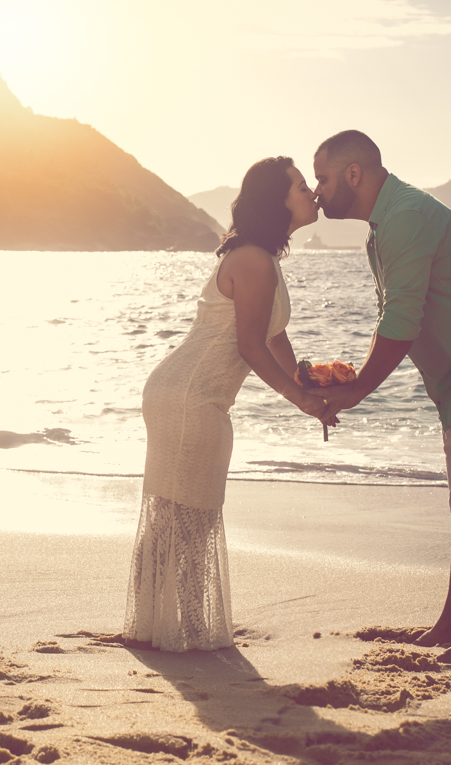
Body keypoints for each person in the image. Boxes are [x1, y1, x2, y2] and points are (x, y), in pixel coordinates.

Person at [308, 130, 451, 665]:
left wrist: (358, 389)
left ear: (353, 174)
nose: (318, 191)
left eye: (322, 177)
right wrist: (348, 380)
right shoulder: (385, 225)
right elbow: (396, 318)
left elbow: (401, 320)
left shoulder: (406, 215)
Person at [123, 156, 328, 652]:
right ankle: (184, 630)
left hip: (188, 394)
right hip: (191, 398)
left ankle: (160, 625)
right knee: (189, 517)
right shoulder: (254, 260)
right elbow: (250, 346)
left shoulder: (263, 258)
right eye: (302, 186)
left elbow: (274, 335)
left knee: (179, 515)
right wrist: (300, 398)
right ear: (277, 203)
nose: (312, 193)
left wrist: (307, 381)